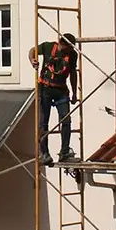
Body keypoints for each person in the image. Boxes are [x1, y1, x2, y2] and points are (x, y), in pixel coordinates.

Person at [29, 33, 79, 166]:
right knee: (43, 122)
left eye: (70, 48)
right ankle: (44, 154)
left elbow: (73, 73)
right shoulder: (48, 47)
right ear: (61, 43)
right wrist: (32, 60)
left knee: (66, 120)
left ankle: (64, 153)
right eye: (67, 47)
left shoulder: (72, 55)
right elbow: (32, 50)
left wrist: (74, 93)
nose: (68, 50)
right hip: (45, 89)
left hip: (61, 91)